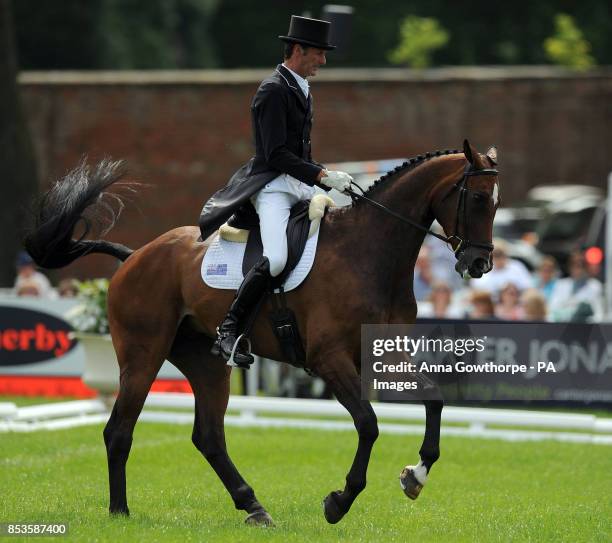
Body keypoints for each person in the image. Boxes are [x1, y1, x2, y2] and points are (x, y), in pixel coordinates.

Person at [198, 15, 354, 366]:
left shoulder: (300, 87)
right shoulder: (272, 90)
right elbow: (276, 155)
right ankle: (229, 328)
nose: (323, 61)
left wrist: (323, 177)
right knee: (278, 258)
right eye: (319, 53)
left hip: (297, 184)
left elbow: (301, 151)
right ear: (298, 50)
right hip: (272, 187)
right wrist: (322, 175)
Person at [548, 251, 603, 322]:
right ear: (569, 267)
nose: (577, 269)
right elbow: (552, 309)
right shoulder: (561, 284)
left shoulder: (595, 286)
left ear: (586, 267)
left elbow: (598, 315)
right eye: (573, 265)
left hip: (585, 329)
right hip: (561, 327)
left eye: (580, 266)